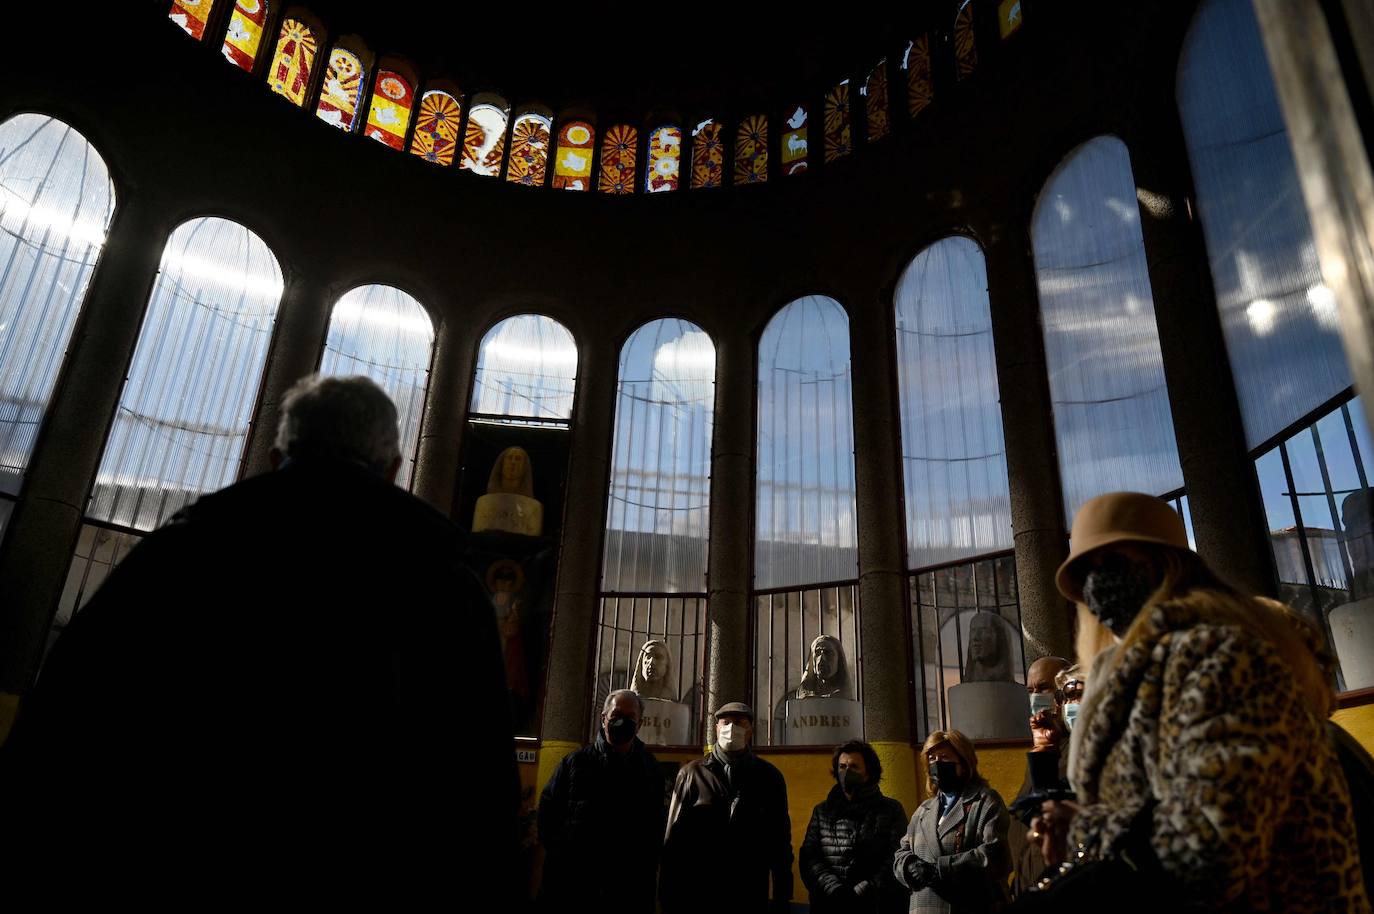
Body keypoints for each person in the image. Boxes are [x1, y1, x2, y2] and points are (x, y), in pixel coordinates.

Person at [2, 375, 516, 901]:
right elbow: (479, 785)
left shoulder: (180, 555)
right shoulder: (446, 583)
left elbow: (63, 725)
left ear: (276, 456)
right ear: (391, 470)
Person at [1029, 491, 1370, 911]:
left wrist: (1084, 828)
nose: (1098, 583)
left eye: (1112, 562)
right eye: (1086, 573)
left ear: (1162, 563)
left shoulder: (1225, 656)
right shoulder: (1129, 679)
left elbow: (1212, 846)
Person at [537, 689, 665, 911]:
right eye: (615, 716)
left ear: (640, 724)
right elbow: (548, 816)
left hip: (630, 891)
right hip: (575, 888)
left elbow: (656, 826)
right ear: (603, 718)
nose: (622, 722)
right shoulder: (575, 763)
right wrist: (566, 859)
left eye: (629, 717)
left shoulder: (650, 769)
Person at [661, 701, 793, 914]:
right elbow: (673, 841)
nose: (731, 728)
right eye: (726, 722)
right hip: (699, 895)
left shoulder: (769, 777)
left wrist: (782, 896)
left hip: (749, 895)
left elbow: (780, 842)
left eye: (739, 723)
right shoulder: (691, 774)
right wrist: (668, 895)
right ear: (716, 729)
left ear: (750, 730)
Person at [894, 729, 1011, 913]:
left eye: (944, 757)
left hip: (967, 905)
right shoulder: (923, 810)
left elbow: (994, 854)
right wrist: (909, 866)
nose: (937, 764)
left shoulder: (984, 801)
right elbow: (902, 851)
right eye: (932, 759)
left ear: (963, 764)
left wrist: (940, 869)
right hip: (924, 906)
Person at [800, 739, 908, 913]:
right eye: (842, 766)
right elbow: (810, 856)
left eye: (854, 767)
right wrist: (833, 888)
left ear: (868, 772)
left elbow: (896, 855)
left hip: (877, 905)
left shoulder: (891, 810)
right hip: (830, 904)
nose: (846, 772)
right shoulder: (822, 811)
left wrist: (864, 890)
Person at [1007, 656, 1068, 898]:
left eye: (1043, 688)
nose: (1036, 697)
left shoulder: (1080, 750)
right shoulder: (1042, 750)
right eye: (1030, 691)